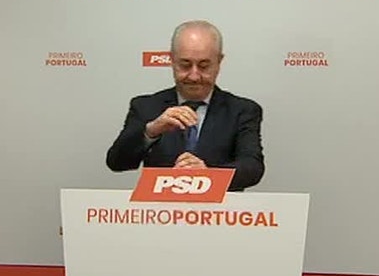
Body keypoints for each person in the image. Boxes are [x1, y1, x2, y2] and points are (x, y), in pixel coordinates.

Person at [106, 20, 264, 191]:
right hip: (161, 206)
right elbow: (117, 162)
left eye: (204, 66)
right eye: (185, 65)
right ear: (172, 60)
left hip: (221, 207)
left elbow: (252, 167)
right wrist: (150, 132)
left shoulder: (242, 110)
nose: (194, 76)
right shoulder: (146, 106)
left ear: (219, 62)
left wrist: (208, 176)